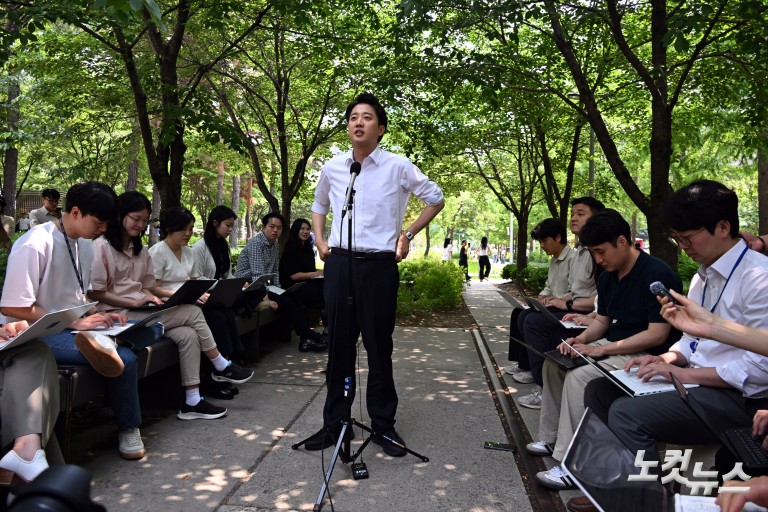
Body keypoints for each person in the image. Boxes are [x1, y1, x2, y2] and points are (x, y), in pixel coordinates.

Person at [577, 181, 768, 512]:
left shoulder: (758, 278)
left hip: (740, 400)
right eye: (676, 239)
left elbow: (759, 370)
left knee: (627, 413)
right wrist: (666, 357)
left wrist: (686, 375)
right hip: (698, 385)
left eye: (688, 238)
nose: (683, 247)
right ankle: (615, 486)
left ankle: (643, 502)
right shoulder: (702, 277)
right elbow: (692, 340)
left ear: (723, 227)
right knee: (600, 390)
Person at [306, 92, 444, 456]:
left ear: (380, 128)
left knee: (379, 347)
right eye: (353, 116)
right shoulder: (334, 167)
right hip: (340, 265)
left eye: (367, 117)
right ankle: (335, 425)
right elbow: (319, 205)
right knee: (338, 346)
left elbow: (436, 198)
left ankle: (383, 426)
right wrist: (320, 241)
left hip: (380, 267)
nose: (358, 122)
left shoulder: (398, 166)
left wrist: (408, 233)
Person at [528, 209, 682, 490]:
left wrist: (603, 349)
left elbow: (657, 333)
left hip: (647, 353)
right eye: (593, 253)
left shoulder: (657, 274)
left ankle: (573, 465)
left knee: (578, 378)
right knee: (556, 362)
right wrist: (582, 341)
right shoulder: (609, 274)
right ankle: (550, 438)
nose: (598, 260)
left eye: (601, 252)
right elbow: (602, 321)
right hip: (614, 345)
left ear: (622, 241)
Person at [0, 182, 145, 459]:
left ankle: (111, 340)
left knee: (144, 332)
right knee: (125, 359)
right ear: (76, 212)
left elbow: (76, 295)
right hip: (31, 333)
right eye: (99, 222)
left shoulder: (85, 245)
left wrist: (93, 314)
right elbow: (13, 306)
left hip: (68, 327)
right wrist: (73, 323)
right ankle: (129, 429)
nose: (103, 229)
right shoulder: (34, 243)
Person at [146, 205, 254, 409]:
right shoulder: (157, 252)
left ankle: (194, 397)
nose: (187, 234)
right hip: (167, 307)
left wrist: (200, 293)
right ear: (169, 229)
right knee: (208, 315)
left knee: (208, 322)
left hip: (188, 304)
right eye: (182, 230)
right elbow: (154, 288)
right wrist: (180, 294)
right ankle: (221, 365)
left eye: (190, 229)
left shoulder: (188, 253)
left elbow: (195, 281)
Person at [506, 197, 604, 408]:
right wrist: (550, 299)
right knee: (523, 314)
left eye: (580, 214)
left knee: (534, 322)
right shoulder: (582, 253)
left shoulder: (594, 254)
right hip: (578, 310)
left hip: (585, 314)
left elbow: (597, 298)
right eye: (572, 214)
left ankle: (544, 386)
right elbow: (574, 291)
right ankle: (531, 370)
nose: (574, 219)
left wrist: (566, 304)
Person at [505, 218, 576, 406]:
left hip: (569, 309)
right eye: (540, 242)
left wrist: (558, 301)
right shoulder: (554, 261)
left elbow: (576, 291)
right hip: (554, 306)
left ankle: (543, 385)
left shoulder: (574, 258)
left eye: (545, 241)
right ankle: (526, 365)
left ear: (558, 237)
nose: (542, 246)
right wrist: (542, 297)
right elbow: (548, 286)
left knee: (531, 321)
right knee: (519, 314)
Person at [235, 212, 327, 353]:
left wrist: (279, 290)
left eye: (279, 228)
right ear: (263, 227)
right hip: (249, 287)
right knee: (287, 302)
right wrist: (266, 297)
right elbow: (257, 275)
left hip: (264, 285)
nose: (275, 230)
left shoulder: (275, 243)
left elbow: (275, 270)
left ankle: (305, 339)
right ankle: (308, 335)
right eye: (272, 227)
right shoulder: (256, 243)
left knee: (292, 297)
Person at [279, 218, 326, 333]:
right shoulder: (290, 248)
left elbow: (308, 270)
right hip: (292, 285)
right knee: (320, 292)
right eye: (302, 229)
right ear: (296, 230)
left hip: (306, 282)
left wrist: (323, 272)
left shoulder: (307, 248)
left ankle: (329, 327)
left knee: (329, 286)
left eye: (307, 229)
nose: (305, 231)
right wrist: (317, 273)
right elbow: (293, 276)